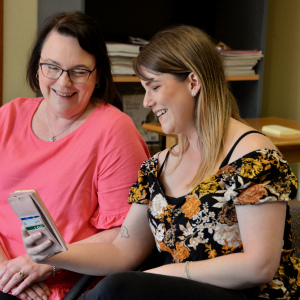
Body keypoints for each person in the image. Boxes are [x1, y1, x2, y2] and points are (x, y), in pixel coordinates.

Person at [21, 24, 299, 299]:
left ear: (193, 82)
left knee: (119, 289)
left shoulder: (254, 157)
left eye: (154, 87)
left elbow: (259, 266)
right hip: (174, 293)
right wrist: (56, 253)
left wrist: (165, 274)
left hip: (245, 295)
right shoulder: (157, 166)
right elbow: (122, 250)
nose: (146, 102)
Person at [0, 11, 150, 300]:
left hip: (63, 286)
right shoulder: (8, 117)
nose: (63, 82)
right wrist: (7, 272)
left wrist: (47, 261)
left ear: (98, 76)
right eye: (52, 67)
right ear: (37, 68)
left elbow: (125, 235)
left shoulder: (114, 131)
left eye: (79, 71)